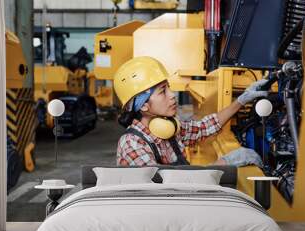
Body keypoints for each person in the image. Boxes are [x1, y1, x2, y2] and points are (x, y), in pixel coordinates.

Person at [114, 56, 267, 166]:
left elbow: (204, 127)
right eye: (162, 91)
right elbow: (160, 191)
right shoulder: (132, 143)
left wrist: (241, 100)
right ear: (143, 106)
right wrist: (221, 164)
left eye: (169, 88)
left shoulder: (170, 127)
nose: (172, 95)